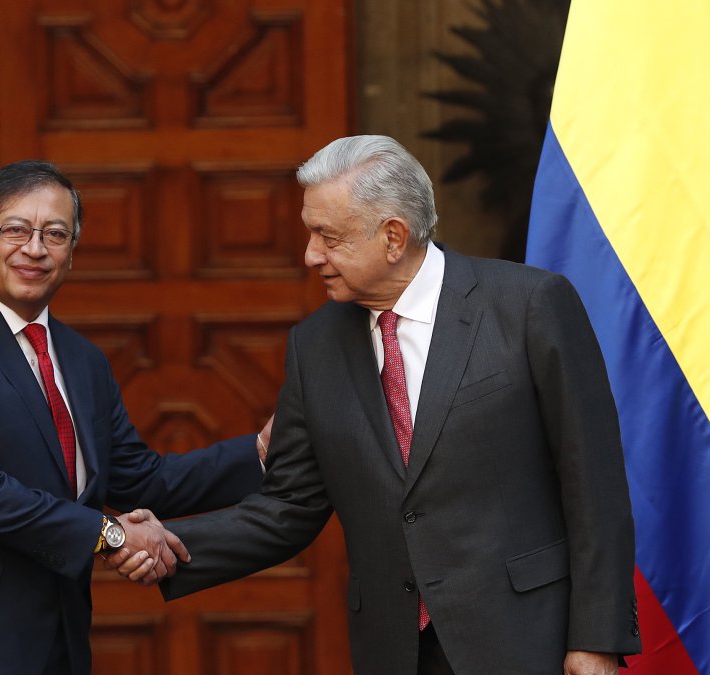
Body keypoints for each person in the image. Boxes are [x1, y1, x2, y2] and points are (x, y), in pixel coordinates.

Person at [111, 136, 641, 674]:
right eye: (310, 233)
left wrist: (596, 640)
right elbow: (288, 508)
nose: (310, 254)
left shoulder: (528, 306)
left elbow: (593, 486)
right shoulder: (314, 346)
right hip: (397, 650)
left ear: (393, 236)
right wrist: (167, 544)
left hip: (528, 640)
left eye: (328, 237)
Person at [0, 159, 267, 675]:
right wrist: (113, 535)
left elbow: (140, 478)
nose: (34, 248)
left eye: (55, 234)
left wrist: (259, 451)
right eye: (15, 229)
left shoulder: (81, 361)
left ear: (73, 252)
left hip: (55, 640)